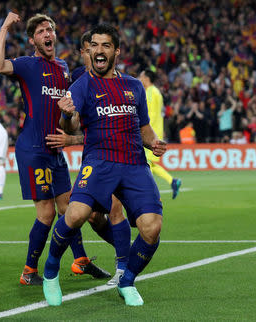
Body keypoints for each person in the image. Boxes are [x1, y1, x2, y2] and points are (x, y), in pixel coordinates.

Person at [43, 23, 167, 306]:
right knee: (75, 215)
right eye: (94, 45)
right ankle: (51, 271)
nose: (98, 50)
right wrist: (65, 115)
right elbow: (71, 123)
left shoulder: (134, 86)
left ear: (116, 52)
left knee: (152, 227)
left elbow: (144, 128)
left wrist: (154, 142)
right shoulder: (82, 85)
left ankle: (127, 280)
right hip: (99, 162)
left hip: (135, 164)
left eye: (105, 45)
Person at [0, 12, 110, 286]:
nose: (48, 34)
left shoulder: (63, 68)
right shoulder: (27, 65)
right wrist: (6, 27)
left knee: (69, 207)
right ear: (33, 40)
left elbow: (68, 110)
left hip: (55, 152)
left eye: (50, 30)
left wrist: (73, 133)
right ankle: (29, 271)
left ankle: (80, 260)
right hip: (33, 149)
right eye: (42, 31)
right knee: (46, 214)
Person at [46, 30, 131, 286]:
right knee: (91, 216)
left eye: (98, 47)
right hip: (93, 159)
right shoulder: (79, 82)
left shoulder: (117, 82)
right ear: (83, 52)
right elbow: (73, 125)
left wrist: (71, 140)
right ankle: (100, 256)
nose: (93, 52)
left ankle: (124, 264)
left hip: (116, 157)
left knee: (115, 208)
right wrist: (67, 122)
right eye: (88, 48)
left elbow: (110, 131)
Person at [139, 68, 182, 199]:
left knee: (146, 163)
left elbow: (149, 114)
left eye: (141, 76)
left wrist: (144, 132)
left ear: (147, 78)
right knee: (150, 162)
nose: (140, 78)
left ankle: (148, 192)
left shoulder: (150, 92)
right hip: (156, 131)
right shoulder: (156, 92)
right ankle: (172, 181)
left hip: (150, 133)